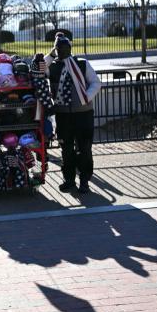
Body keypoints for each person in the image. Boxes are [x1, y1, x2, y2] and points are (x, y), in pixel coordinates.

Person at [45, 34, 102, 193]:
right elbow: (37, 69)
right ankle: (69, 180)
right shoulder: (53, 67)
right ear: (56, 49)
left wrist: (86, 97)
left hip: (84, 114)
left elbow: (96, 83)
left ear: (70, 48)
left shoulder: (82, 64)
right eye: (59, 48)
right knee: (66, 149)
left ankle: (84, 181)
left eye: (65, 47)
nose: (63, 50)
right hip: (63, 116)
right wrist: (50, 55)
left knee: (84, 149)